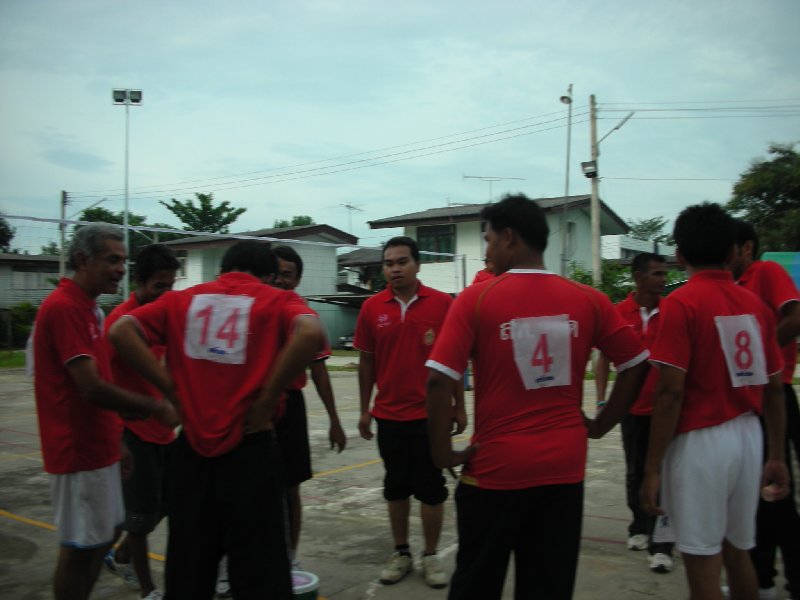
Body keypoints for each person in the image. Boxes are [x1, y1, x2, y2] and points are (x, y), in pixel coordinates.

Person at [425, 194, 650, 600]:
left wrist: (442, 454)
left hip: (496, 469)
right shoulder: (589, 299)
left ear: (509, 237)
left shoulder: (477, 298)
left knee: (476, 582)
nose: (487, 251)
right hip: (564, 468)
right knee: (548, 585)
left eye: (489, 240)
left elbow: (439, 381)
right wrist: (602, 424)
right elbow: (635, 363)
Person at [108, 240, 326, 600]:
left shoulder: (183, 300)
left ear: (222, 270)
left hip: (192, 453)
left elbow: (120, 331)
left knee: (190, 568)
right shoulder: (276, 300)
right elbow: (310, 332)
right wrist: (268, 397)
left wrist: (172, 392)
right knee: (258, 572)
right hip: (250, 449)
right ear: (268, 275)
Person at [641, 203, 789, 600]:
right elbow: (775, 388)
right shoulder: (755, 306)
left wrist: (652, 468)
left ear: (679, 253)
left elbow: (670, 392)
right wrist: (776, 453)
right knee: (738, 552)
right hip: (749, 435)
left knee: (702, 562)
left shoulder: (681, 303)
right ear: (732, 251)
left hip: (701, 441)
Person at [32, 223, 178, 600]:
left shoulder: (90, 309)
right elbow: (92, 387)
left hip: (100, 447)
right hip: (77, 450)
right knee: (79, 550)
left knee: (98, 544)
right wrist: (155, 407)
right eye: (112, 260)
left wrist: (116, 441)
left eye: (123, 261)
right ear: (82, 260)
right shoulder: (65, 308)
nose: (119, 269)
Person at [355, 235, 466, 589]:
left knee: (431, 489)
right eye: (389, 263)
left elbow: (454, 360)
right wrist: (364, 410)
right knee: (396, 487)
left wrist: (459, 406)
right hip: (389, 417)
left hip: (430, 418)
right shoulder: (371, 308)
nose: (395, 269)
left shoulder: (442, 304)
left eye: (402, 262)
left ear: (417, 265)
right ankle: (401, 552)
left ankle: (430, 556)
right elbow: (367, 362)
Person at [103, 244, 181, 600]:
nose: (165, 294)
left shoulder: (166, 318)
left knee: (168, 502)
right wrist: (117, 436)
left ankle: (121, 555)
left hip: (164, 430)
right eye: (158, 286)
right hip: (134, 430)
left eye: (171, 286)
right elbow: (100, 383)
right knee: (140, 515)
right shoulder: (120, 323)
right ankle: (148, 588)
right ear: (138, 281)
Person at [730, 219, 800, 600]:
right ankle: (762, 578)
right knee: (760, 495)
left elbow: (796, 316)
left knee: (777, 494)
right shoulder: (732, 285)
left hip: (775, 393)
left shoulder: (766, 272)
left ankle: (784, 579)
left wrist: (762, 356)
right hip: (749, 397)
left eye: (730, 249)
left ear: (746, 248)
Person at [595, 252, 675, 573]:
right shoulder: (618, 313)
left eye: (665, 274)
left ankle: (663, 543)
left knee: (664, 474)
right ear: (639, 277)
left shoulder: (673, 312)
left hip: (665, 409)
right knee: (635, 471)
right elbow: (603, 360)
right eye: (657, 274)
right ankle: (639, 525)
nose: (663, 280)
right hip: (632, 408)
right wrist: (602, 401)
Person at [272, 245, 347, 565]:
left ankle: (291, 558)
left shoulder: (305, 318)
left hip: (289, 407)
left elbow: (319, 372)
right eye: (275, 274)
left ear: (297, 280)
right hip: (252, 406)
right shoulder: (251, 310)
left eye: (286, 275)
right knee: (246, 488)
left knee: (291, 488)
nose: (279, 280)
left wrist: (334, 420)